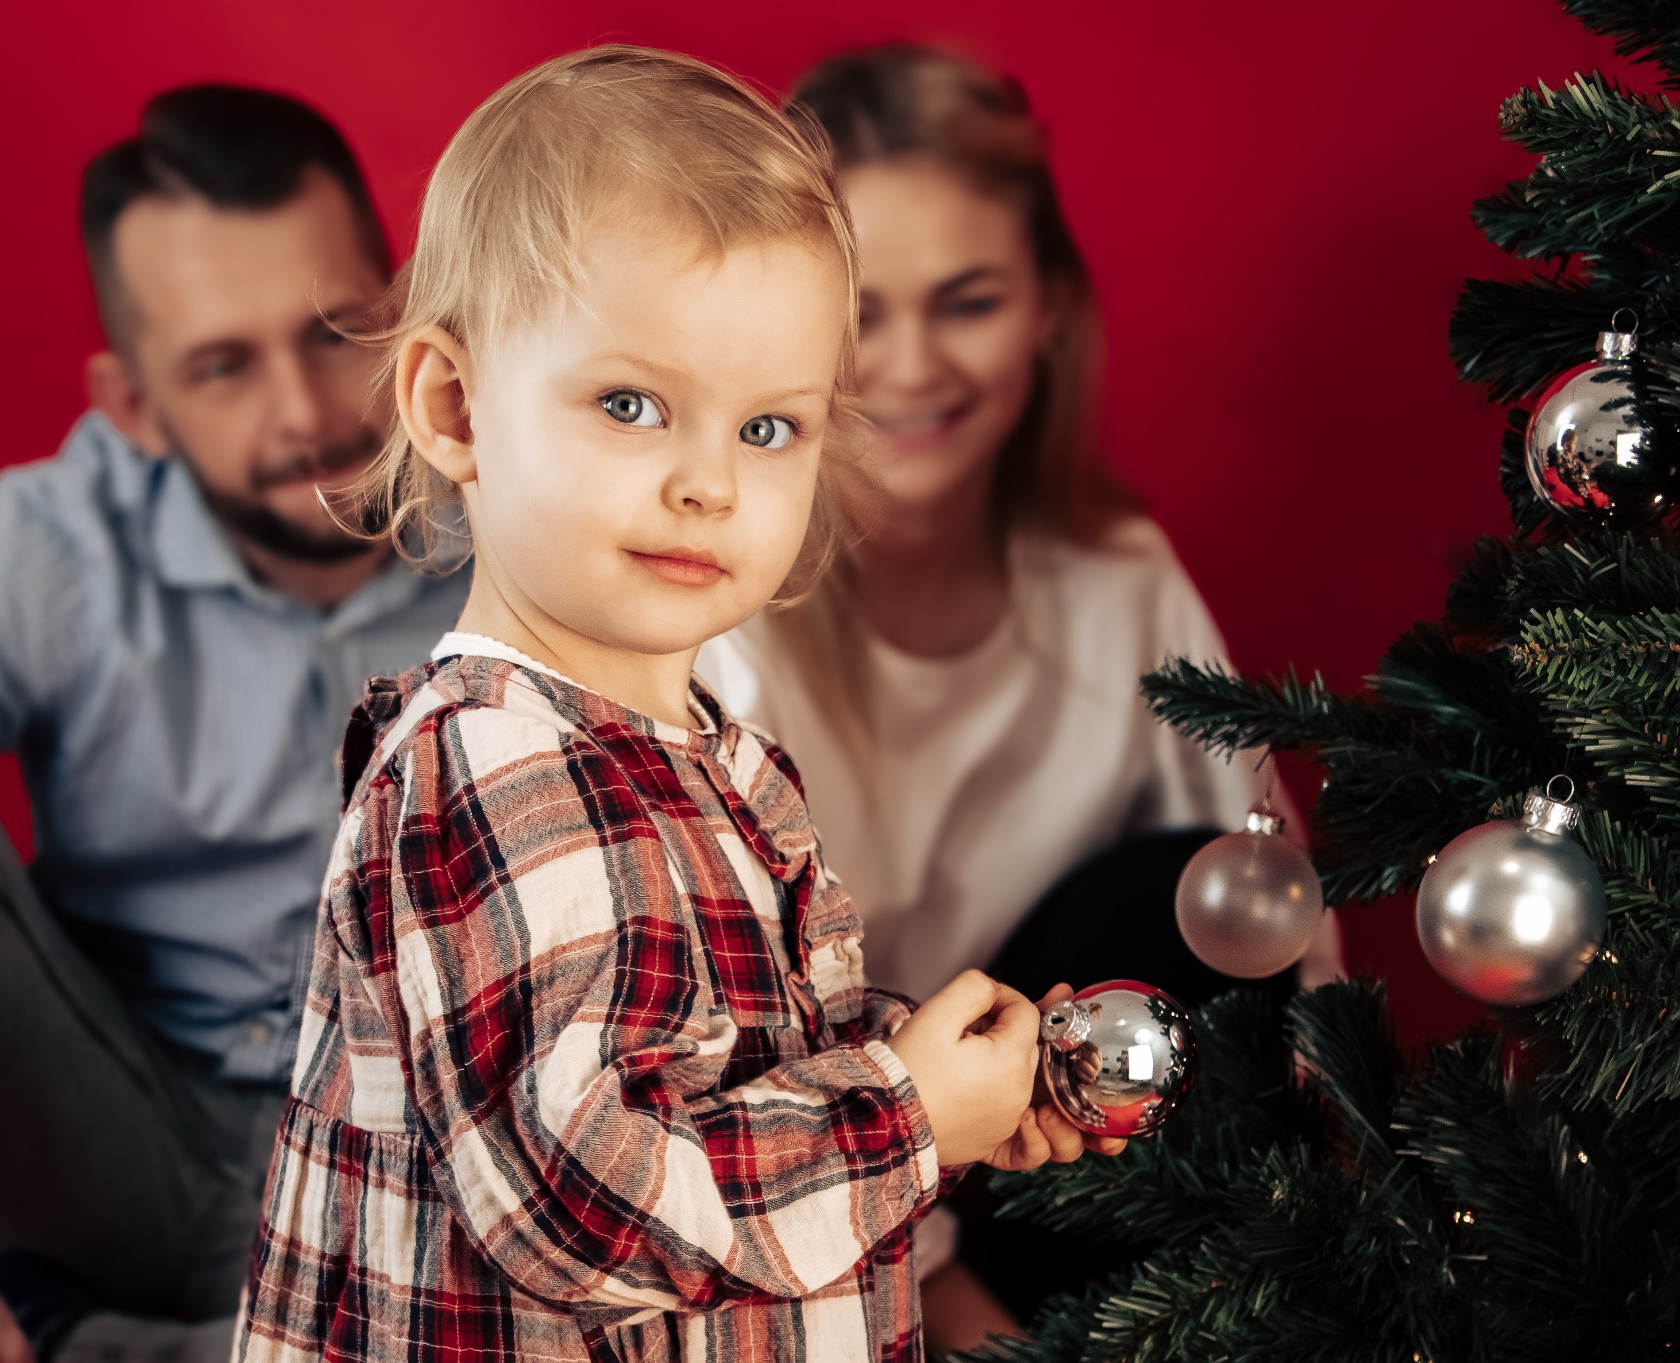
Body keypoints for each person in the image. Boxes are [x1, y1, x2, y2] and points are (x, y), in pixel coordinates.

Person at [233, 46, 1117, 1363]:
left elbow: (707, 1065)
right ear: (456, 406)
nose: (710, 482)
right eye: (633, 404)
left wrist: (935, 1065)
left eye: (768, 429)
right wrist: (909, 1109)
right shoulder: (490, 760)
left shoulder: (706, 754)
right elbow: (583, 1194)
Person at [0, 87, 469, 1363]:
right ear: (132, 404)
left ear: (404, 309)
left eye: (332, 331)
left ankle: (88, 1346)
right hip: (127, 1138)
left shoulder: (529, 487)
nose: (303, 410)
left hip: (424, 1169)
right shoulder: (59, 547)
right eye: (222, 366)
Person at [694, 45, 1343, 1346]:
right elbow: (726, 1065)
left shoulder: (1114, 579)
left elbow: (1280, 922)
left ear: (1048, 307)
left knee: (1185, 887)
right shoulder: (720, 627)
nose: (915, 364)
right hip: (812, 1193)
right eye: (864, 313)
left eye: (970, 299)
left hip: (1068, 1170)